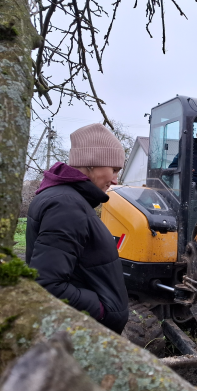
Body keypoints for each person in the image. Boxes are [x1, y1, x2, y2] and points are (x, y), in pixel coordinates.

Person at [26, 123, 129, 334]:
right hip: (83, 333)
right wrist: (102, 312)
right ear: (92, 164)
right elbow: (48, 285)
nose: (115, 180)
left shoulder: (64, 198)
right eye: (114, 170)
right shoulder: (66, 205)